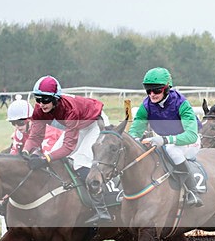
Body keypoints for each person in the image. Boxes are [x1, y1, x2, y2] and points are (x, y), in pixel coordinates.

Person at [24, 75, 111, 225]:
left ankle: (102, 209)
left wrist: (45, 158)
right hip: (79, 125)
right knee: (53, 158)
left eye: (45, 99)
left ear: (56, 98)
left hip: (95, 123)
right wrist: (25, 153)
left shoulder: (70, 109)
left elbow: (68, 148)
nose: (41, 104)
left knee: (79, 161)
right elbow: (35, 137)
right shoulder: (39, 109)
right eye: (37, 99)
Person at [128, 67, 203, 207]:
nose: (152, 94)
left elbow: (191, 135)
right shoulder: (146, 106)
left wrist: (165, 139)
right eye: (148, 90)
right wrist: (134, 140)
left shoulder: (181, 104)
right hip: (165, 141)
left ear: (167, 88)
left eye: (156, 90)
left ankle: (193, 191)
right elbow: (135, 131)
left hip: (189, 142)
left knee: (171, 150)